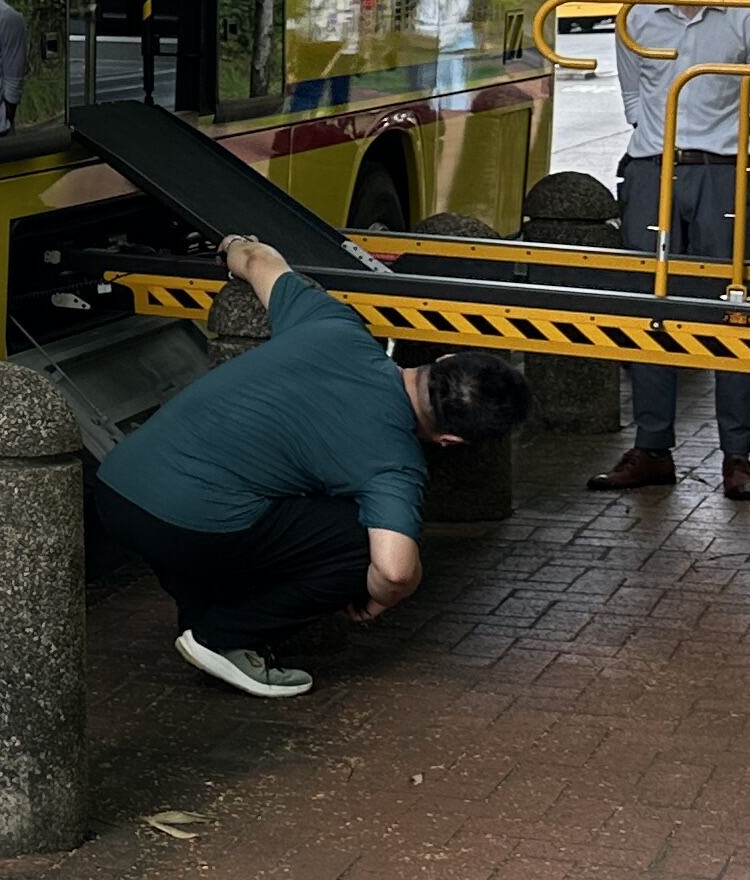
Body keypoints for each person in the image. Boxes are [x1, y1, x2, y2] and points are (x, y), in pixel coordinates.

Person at [86, 236, 531, 700]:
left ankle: (202, 619)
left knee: (256, 493)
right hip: (184, 525)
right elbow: (395, 570)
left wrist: (233, 246)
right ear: (451, 440)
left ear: (444, 360)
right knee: (356, 541)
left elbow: (258, 260)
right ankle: (225, 638)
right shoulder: (394, 462)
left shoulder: (335, 325)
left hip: (117, 487)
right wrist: (386, 595)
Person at [595, 0, 750, 501]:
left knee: (732, 306)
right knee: (650, 307)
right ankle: (653, 447)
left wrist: (730, 148)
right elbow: (634, 97)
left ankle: (738, 456)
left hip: (723, 170)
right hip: (653, 168)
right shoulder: (639, 14)